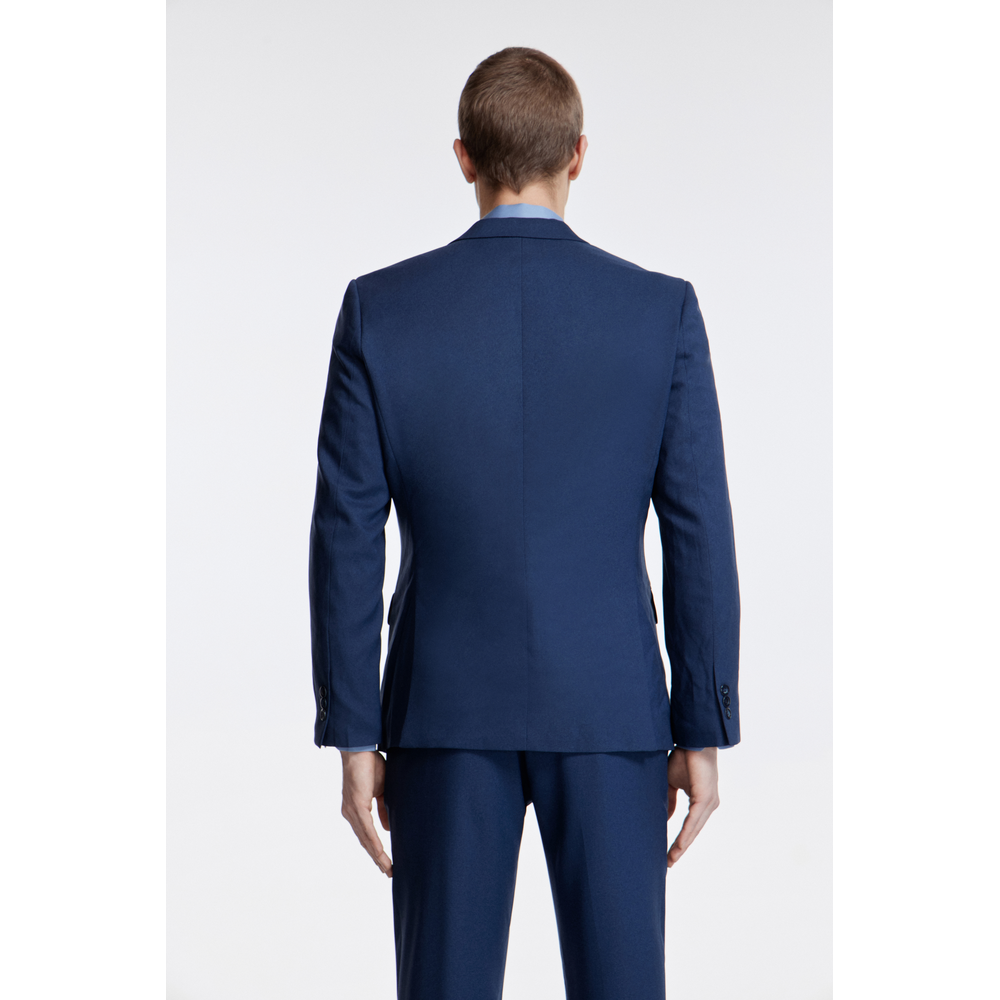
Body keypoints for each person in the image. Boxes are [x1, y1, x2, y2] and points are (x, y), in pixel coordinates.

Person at [308, 46, 740, 1000]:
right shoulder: (660, 312)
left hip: (441, 707)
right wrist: (702, 729)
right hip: (612, 705)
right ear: (579, 154)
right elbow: (698, 530)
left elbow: (345, 535)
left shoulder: (380, 310)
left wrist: (354, 732)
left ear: (463, 157)